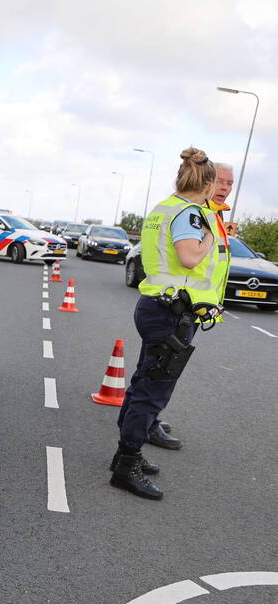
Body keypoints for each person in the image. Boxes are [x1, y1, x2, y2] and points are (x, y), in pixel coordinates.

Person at [111, 147, 231, 499]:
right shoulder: (191, 214)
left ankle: (127, 449)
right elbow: (190, 256)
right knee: (153, 390)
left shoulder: (164, 207)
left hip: (157, 305)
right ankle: (126, 464)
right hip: (172, 312)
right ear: (207, 185)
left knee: (143, 380)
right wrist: (211, 234)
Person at [150, 161, 235, 443]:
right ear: (206, 182)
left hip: (195, 305)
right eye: (221, 182)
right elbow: (190, 257)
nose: (224, 188)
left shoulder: (214, 215)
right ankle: (147, 425)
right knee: (163, 371)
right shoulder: (197, 214)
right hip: (180, 304)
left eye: (230, 184)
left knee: (162, 370)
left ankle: (150, 419)